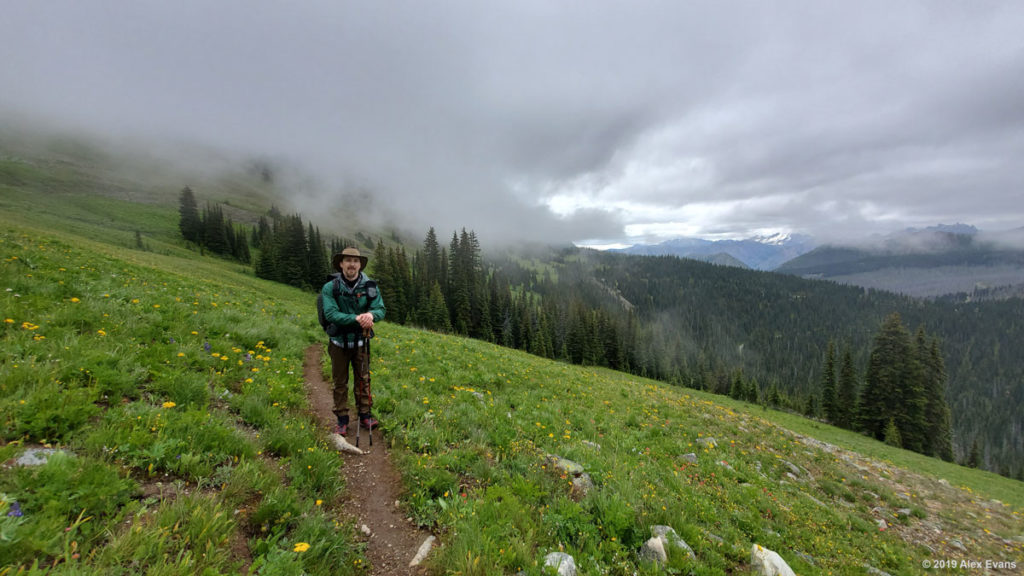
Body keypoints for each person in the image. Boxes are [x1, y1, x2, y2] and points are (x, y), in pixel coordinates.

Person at [320, 247, 386, 440]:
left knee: (363, 379)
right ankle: (342, 419)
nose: (352, 264)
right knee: (340, 382)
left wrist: (371, 315)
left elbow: (380, 308)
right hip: (338, 342)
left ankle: (365, 414)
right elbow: (331, 314)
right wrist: (358, 318)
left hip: (361, 342)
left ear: (360, 264)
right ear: (341, 264)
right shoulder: (330, 288)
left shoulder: (370, 286)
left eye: (355, 261)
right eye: (348, 260)